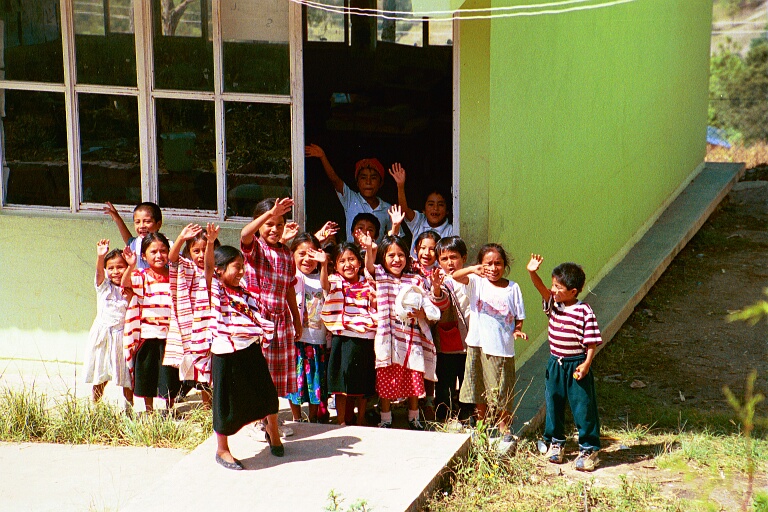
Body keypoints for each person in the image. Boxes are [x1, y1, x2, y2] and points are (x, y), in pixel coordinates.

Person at [204, 224, 283, 470]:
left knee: (267, 395)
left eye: (242, 266)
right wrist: (210, 243)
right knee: (224, 403)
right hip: (225, 352)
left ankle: (274, 433)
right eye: (237, 267)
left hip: (249, 347)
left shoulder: (243, 293)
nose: (241, 271)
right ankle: (222, 449)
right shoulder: (215, 289)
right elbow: (207, 268)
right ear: (220, 270)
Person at [362, 233, 446, 430]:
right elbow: (369, 267)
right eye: (391, 255)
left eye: (400, 255)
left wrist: (422, 313)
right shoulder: (381, 275)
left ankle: (414, 416)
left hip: (410, 335)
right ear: (383, 258)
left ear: (407, 258)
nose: (396, 259)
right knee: (386, 376)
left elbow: (426, 302)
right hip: (387, 336)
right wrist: (368, 250)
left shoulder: (415, 279)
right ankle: (385, 417)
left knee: (413, 374)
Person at [527, 254, 603, 471]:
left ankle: (589, 448)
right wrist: (532, 273)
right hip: (556, 364)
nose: (553, 290)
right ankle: (556, 443)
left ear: (574, 291)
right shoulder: (554, 306)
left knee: (583, 406)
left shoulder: (584, 311)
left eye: (558, 287)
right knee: (553, 403)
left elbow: (591, 342)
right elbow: (541, 289)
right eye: (553, 285)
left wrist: (586, 364)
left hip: (577, 364)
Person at [451, 243, 526, 443]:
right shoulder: (476, 282)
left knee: (502, 389)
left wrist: (517, 331)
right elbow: (455, 276)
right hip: (478, 344)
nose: (493, 268)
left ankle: (504, 428)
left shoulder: (513, 288)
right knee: (479, 388)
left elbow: (519, 316)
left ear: (505, 265)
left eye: (498, 263)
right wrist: (473, 269)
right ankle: (481, 426)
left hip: (501, 347)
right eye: (488, 264)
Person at [240, 197, 302, 438]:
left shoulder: (286, 253)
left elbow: (288, 288)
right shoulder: (256, 248)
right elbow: (245, 234)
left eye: (279, 224)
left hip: (281, 319)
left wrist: (296, 318)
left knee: (276, 374)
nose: (274, 229)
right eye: (269, 224)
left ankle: (271, 420)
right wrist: (268, 214)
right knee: (260, 372)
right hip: (259, 319)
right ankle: (257, 421)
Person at [122, 232, 182, 413]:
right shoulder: (141, 275)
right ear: (143, 256)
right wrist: (131, 266)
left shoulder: (175, 276)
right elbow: (125, 284)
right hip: (148, 333)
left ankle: (169, 409)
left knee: (169, 375)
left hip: (169, 335)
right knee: (147, 374)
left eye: (163, 251)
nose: (159, 256)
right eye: (153, 252)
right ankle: (149, 410)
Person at [321, 242, 377, 426]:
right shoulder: (334, 281)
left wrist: (369, 249)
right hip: (342, 336)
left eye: (352, 259)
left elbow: (374, 306)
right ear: (335, 266)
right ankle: (340, 421)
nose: (348, 264)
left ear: (360, 263)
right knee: (340, 383)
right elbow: (324, 284)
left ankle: (360, 420)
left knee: (362, 383)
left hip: (365, 337)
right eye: (342, 261)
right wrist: (323, 264)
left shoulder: (367, 283)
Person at [168, 224, 219, 409]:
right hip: (191, 327)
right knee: (199, 369)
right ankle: (206, 408)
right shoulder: (187, 267)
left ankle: (212, 407)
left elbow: (209, 266)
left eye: (204, 250)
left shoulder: (216, 270)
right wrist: (181, 237)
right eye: (195, 250)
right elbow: (172, 259)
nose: (200, 255)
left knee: (209, 367)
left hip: (210, 325)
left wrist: (211, 243)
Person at [83, 239, 133, 409]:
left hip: (122, 336)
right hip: (102, 336)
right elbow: (98, 274)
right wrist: (100, 256)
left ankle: (129, 409)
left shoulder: (130, 290)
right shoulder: (103, 287)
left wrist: (132, 266)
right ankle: (95, 407)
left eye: (120, 267)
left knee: (126, 376)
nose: (115, 272)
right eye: (110, 268)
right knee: (100, 373)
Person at [305, 144, 392, 243]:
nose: (368, 182)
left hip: (374, 256)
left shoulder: (388, 209)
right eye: (363, 177)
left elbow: (394, 237)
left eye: (373, 178)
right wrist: (322, 157)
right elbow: (335, 180)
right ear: (357, 182)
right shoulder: (351, 199)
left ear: (381, 183)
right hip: (351, 255)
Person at [287, 233, 331, 423]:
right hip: (296, 339)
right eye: (301, 254)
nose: (307, 259)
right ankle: (297, 417)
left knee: (315, 381)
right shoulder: (292, 277)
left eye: (311, 254)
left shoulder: (321, 278)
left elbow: (327, 286)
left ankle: (313, 419)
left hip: (317, 340)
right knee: (295, 382)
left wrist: (324, 265)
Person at [431, 236, 473, 422]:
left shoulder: (473, 280)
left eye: (453, 257)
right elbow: (440, 302)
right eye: (444, 259)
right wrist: (436, 289)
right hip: (447, 342)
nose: (450, 263)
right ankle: (443, 418)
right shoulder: (440, 282)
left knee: (468, 382)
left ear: (464, 257)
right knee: (445, 383)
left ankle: (468, 417)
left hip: (470, 342)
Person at [388, 163, 454, 256]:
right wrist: (400, 186)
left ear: (447, 210)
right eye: (431, 204)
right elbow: (404, 211)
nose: (435, 208)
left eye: (440, 205)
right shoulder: (419, 221)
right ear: (423, 209)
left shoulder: (451, 230)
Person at [104, 201, 162, 269]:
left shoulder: (166, 245)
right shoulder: (136, 243)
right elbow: (129, 240)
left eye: (147, 221)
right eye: (137, 222)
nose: (141, 226)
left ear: (158, 224)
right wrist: (117, 219)